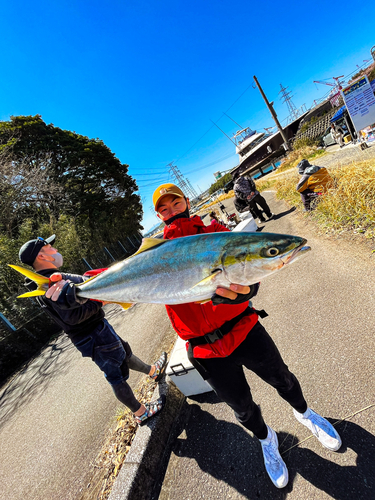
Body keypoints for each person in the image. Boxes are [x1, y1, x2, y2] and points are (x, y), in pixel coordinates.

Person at [151, 182, 342, 489]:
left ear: (186, 201)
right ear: (159, 216)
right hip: (204, 351)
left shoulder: (216, 232)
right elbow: (115, 273)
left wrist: (246, 292)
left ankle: (306, 414)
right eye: (164, 209)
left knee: (283, 378)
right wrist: (74, 286)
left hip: (244, 329)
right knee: (241, 407)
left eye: (176, 204)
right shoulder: (157, 253)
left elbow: (250, 273)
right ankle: (267, 439)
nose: (172, 211)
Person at [18, 235, 167, 426]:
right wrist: (102, 299)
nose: (55, 250)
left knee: (125, 353)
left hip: (97, 330)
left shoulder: (51, 279)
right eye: (50, 247)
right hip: (93, 336)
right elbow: (73, 317)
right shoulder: (49, 284)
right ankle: (141, 413)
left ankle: (153, 371)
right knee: (116, 376)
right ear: (41, 255)